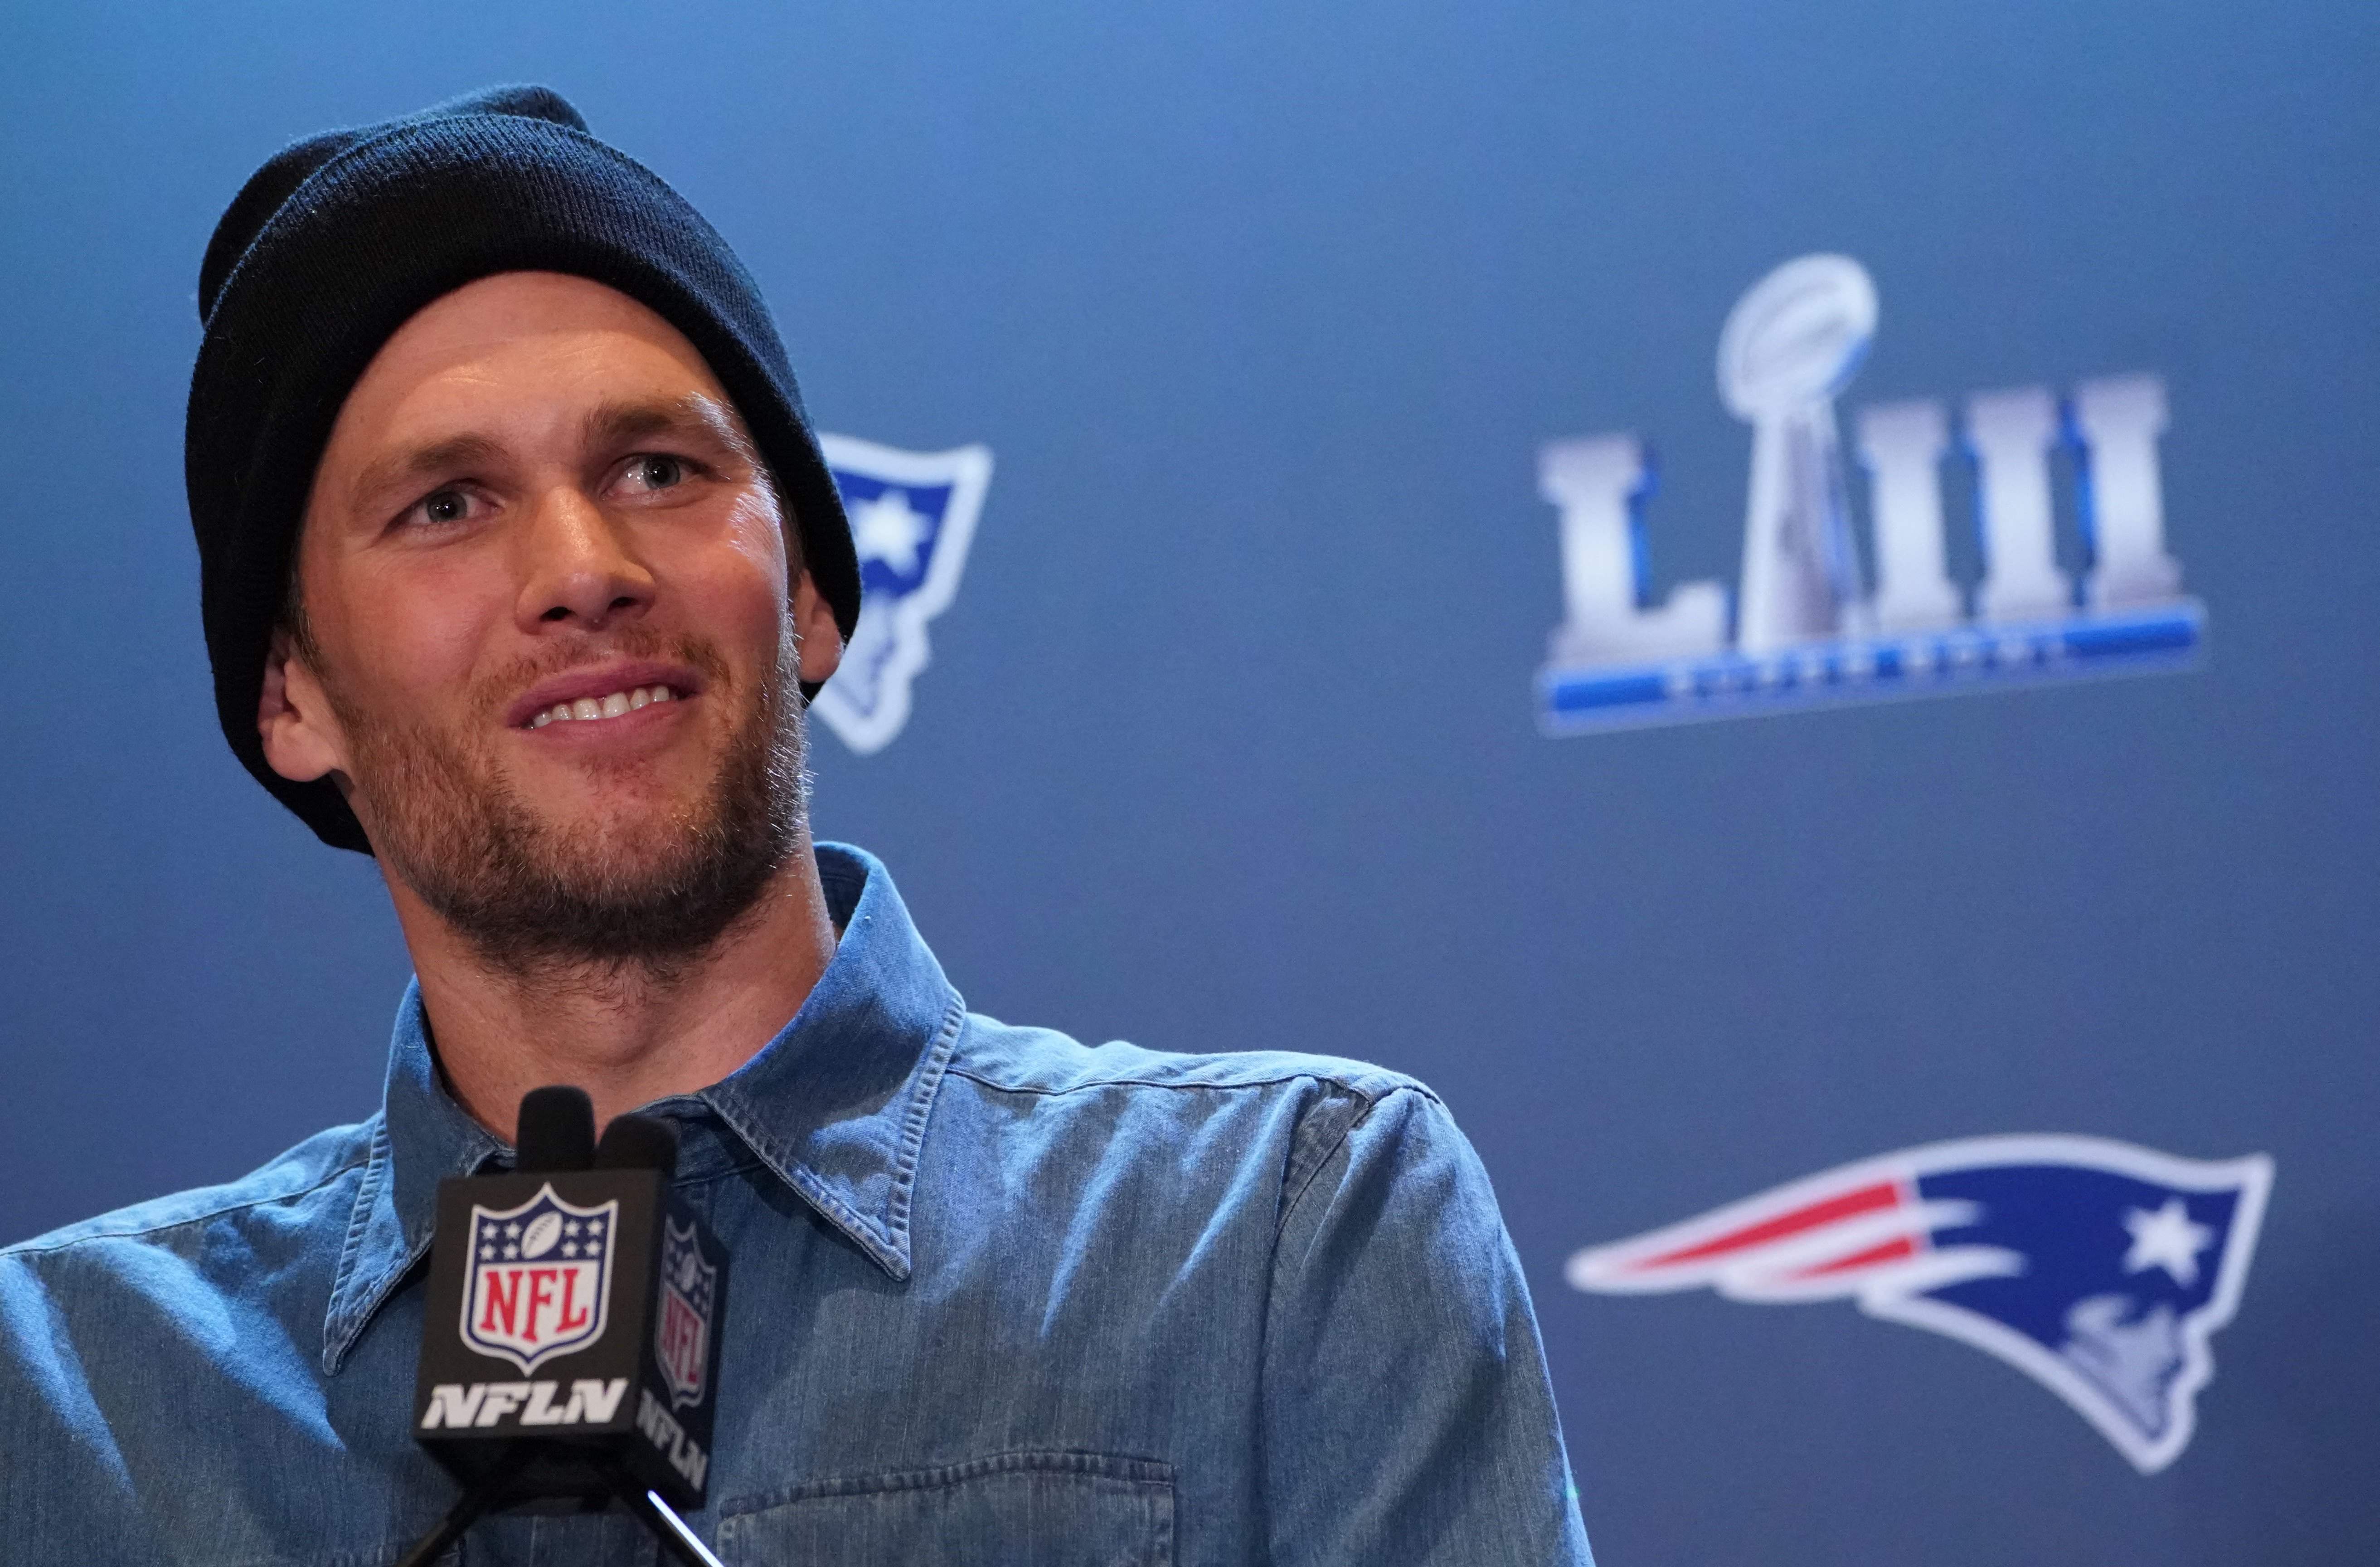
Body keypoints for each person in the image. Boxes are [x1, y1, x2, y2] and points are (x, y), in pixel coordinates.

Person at [0, 86, 1592, 1564]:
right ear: (291, 698)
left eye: (658, 466)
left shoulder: (1275, 1236)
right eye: (446, 506)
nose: (582, 563)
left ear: (812, 592)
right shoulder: (71, 1398)